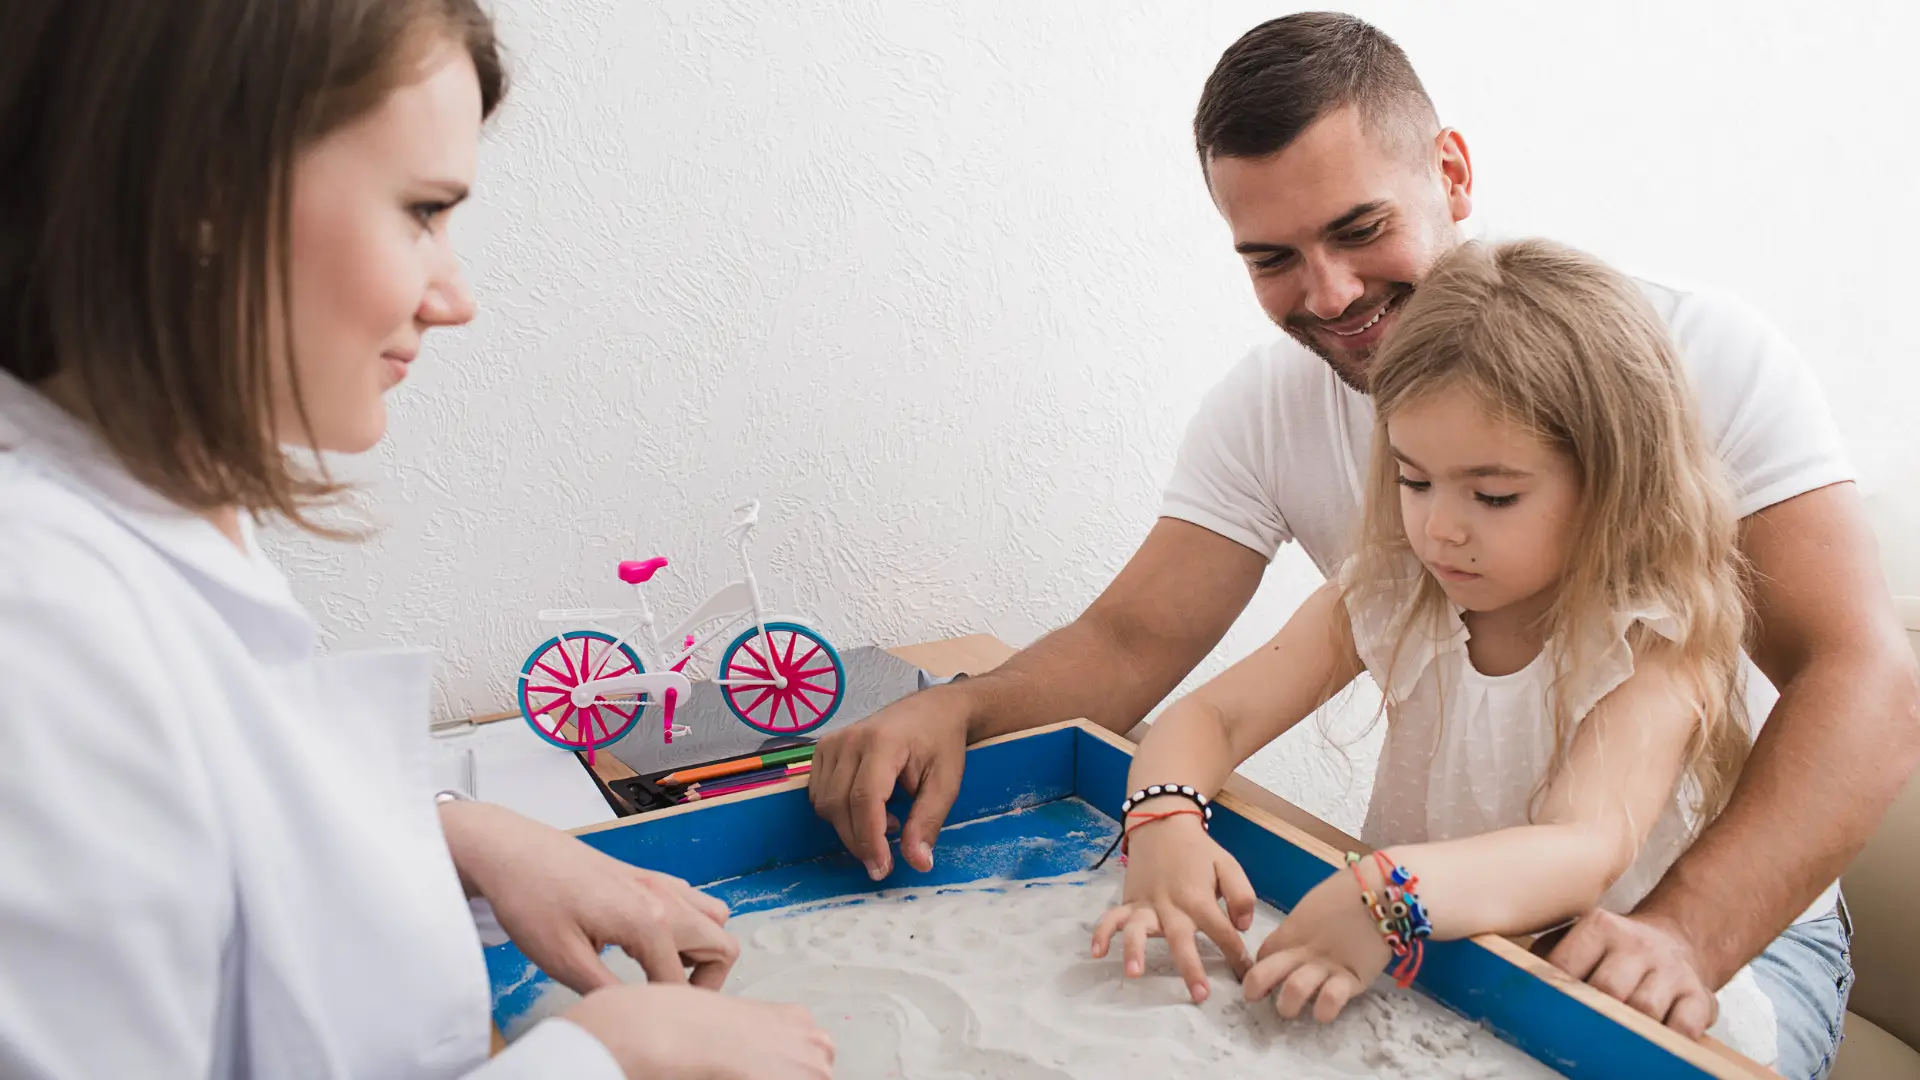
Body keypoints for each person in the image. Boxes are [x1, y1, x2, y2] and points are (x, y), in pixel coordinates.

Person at [811, 11, 1918, 1076]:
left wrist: (1671, 935)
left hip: (1700, 935)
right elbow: (1141, 643)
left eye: (1357, 229)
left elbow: (1859, 681)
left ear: (1451, 172)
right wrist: (985, 717)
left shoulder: (1680, 384)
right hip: (1454, 924)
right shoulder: (1383, 564)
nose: (1329, 293)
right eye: (1272, 257)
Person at [0, 2, 833, 1078]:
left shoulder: (152, 519)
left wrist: (452, 839)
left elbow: (203, 835)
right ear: (198, 196)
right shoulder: (39, 635)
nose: (456, 298)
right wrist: (606, 1059)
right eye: (421, 212)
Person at [1089, 237, 1786, 1066]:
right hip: (1433, 973)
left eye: (1493, 494)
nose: (1440, 528)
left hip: (1607, 1019)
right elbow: (1213, 716)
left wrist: (1383, 894)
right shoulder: (1394, 589)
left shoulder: (1652, 639)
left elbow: (1580, 850)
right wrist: (1165, 816)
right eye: (1415, 481)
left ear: (1613, 482)